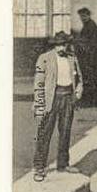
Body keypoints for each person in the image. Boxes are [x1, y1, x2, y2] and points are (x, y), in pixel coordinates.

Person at [32, 31, 83, 181]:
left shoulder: (72, 58)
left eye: (64, 44)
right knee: (44, 133)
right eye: (59, 44)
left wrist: (79, 91)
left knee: (65, 131)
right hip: (51, 100)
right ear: (54, 45)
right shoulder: (44, 59)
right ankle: (39, 167)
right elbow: (38, 82)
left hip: (68, 98)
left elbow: (79, 78)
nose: (62, 47)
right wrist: (38, 102)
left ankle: (63, 164)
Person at [74, 7, 97, 107]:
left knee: (91, 79)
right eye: (81, 16)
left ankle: (92, 101)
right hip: (91, 57)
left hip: (92, 58)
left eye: (84, 16)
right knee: (93, 79)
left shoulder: (90, 26)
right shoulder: (88, 26)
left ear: (88, 15)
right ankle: (95, 101)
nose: (82, 18)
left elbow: (92, 43)